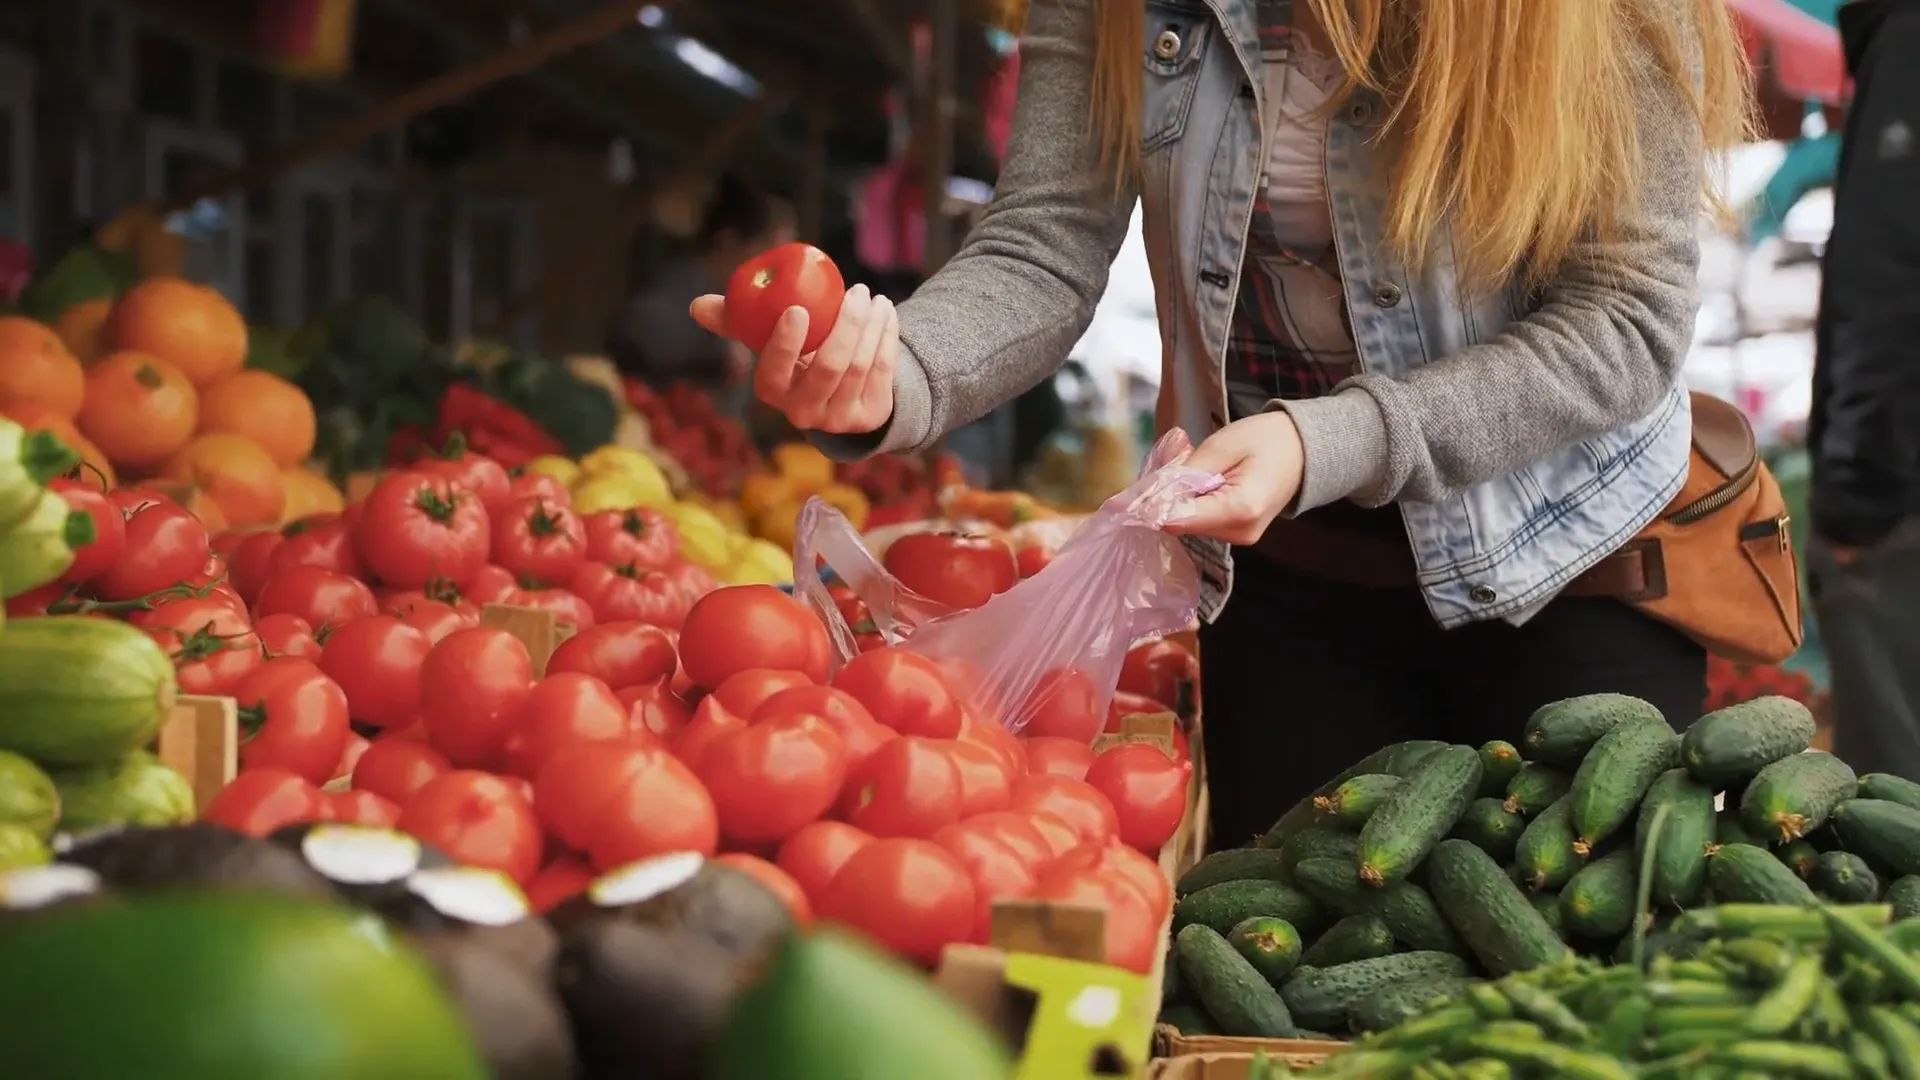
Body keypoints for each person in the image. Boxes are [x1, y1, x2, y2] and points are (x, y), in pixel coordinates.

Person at [690, 0, 1751, 847]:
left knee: (1573, 1016)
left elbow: (1627, 317)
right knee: (1286, 1007)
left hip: (1562, 565)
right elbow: (1046, 244)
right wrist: (895, 378)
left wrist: (1321, 440)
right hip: (1291, 581)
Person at [1808, 0, 1920, 781]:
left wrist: (1855, 496)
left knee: (1896, 809)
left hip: (1901, 500)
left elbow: (1886, 277)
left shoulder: (1910, 39)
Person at [609, 172, 794, 411]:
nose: (773, 271)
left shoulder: (743, 306)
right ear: (728, 241)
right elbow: (630, 352)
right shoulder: (671, 296)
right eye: (766, 252)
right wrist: (708, 367)